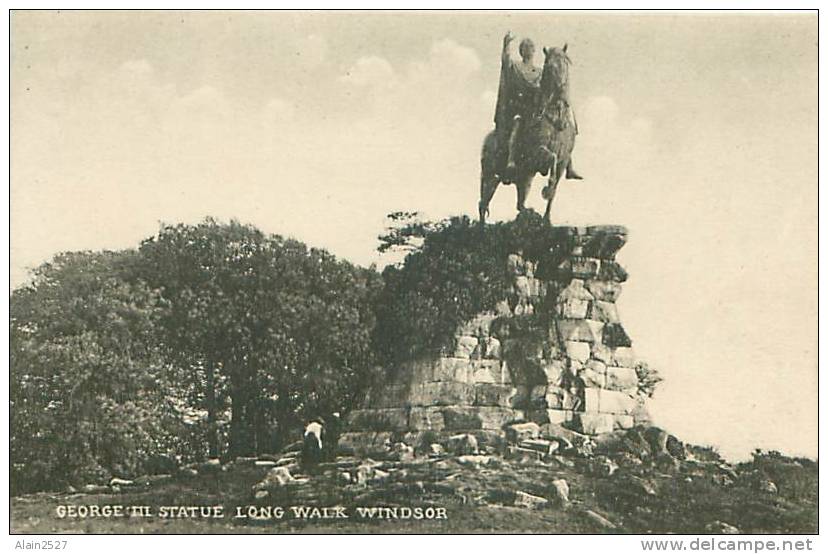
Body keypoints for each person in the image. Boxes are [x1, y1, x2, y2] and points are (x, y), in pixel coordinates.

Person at [496, 32, 582, 180]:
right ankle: (511, 159)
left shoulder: (539, 71)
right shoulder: (516, 66)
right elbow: (505, 63)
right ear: (521, 51)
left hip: (537, 107)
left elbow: (547, 86)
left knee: (560, 124)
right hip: (521, 107)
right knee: (517, 123)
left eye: (530, 48)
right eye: (525, 48)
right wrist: (506, 47)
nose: (528, 50)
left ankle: (568, 164)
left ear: (534, 52)